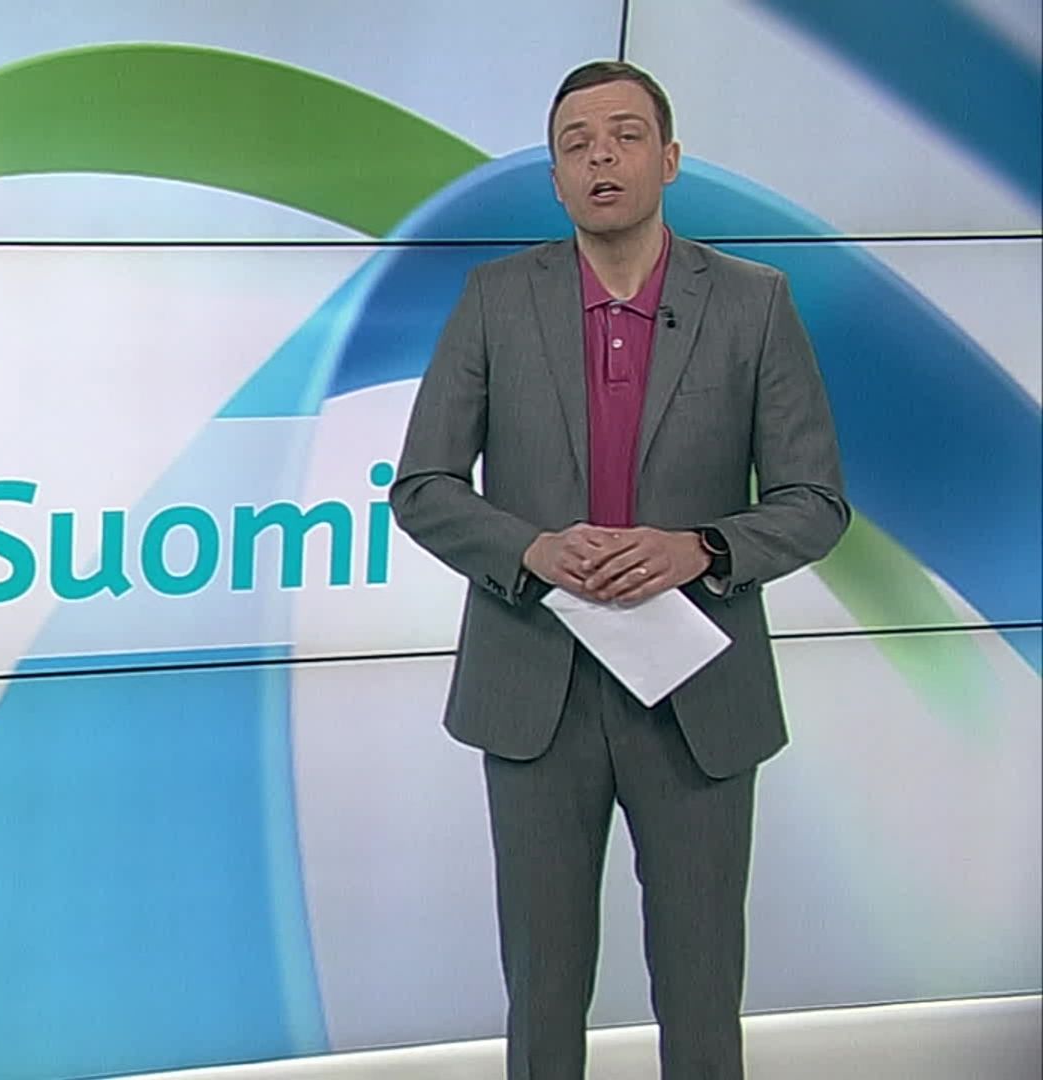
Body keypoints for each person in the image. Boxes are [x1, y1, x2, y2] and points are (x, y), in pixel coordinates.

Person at [388, 60, 848, 1079]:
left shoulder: (754, 304)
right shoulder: (496, 299)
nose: (602, 156)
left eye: (626, 135)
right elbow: (422, 486)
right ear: (555, 177)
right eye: (576, 143)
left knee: (700, 990)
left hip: (697, 698)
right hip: (535, 691)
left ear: (669, 159)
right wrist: (533, 550)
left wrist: (702, 548)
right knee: (544, 991)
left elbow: (815, 501)